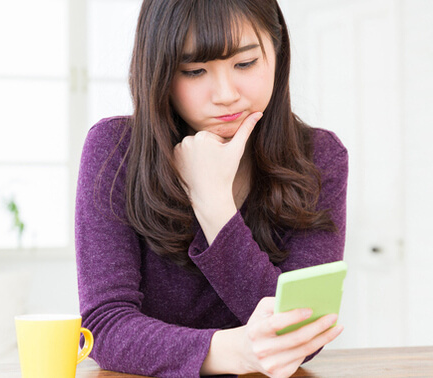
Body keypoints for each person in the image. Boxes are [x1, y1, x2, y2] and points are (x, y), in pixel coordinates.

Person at [75, 0, 348, 377]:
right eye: (195, 70)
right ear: (160, 72)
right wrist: (232, 351)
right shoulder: (116, 150)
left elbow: (300, 335)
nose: (224, 94)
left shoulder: (318, 156)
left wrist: (215, 204)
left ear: (276, 50)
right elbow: (103, 327)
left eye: (245, 64)